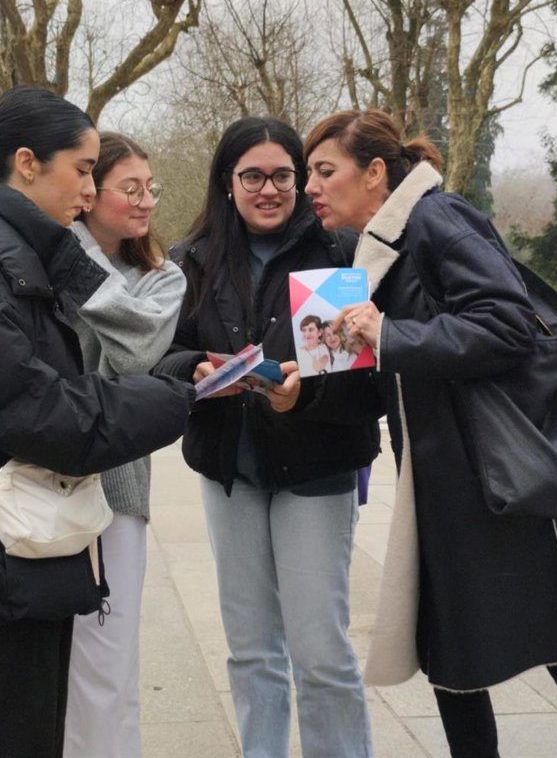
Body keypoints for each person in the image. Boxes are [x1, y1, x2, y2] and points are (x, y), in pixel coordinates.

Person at [303, 108, 557, 758]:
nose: (311, 187)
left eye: (325, 171)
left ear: (374, 172)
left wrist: (390, 333)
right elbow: (413, 371)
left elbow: (509, 326)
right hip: (447, 493)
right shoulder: (379, 250)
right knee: (454, 669)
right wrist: (320, 370)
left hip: (513, 480)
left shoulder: (436, 218)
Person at [0, 86, 195, 758]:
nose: (88, 188)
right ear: (27, 163)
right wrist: (167, 398)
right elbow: (36, 411)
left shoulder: (6, 250)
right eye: (82, 169)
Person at [155, 116, 381, 758]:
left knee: (320, 652)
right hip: (232, 470)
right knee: (251, 649)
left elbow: (371, 383)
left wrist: (304, 394)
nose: (269, 189)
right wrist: (193, 371)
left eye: (283, 175)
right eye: (251, 176)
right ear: (227, 183)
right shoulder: (190, 259)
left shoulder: (340, 251)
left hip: (318, 468)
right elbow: (159, 356)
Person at [64, 132, 186, 758]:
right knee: (51, 665)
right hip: (37, 482)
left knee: (110, 661)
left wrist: (71, 253)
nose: (146, 202)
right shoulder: (44, 256)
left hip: (116, 488)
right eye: (131, 188)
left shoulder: (162, 278)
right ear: (88, 193)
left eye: (150, 189)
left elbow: (137, 354)